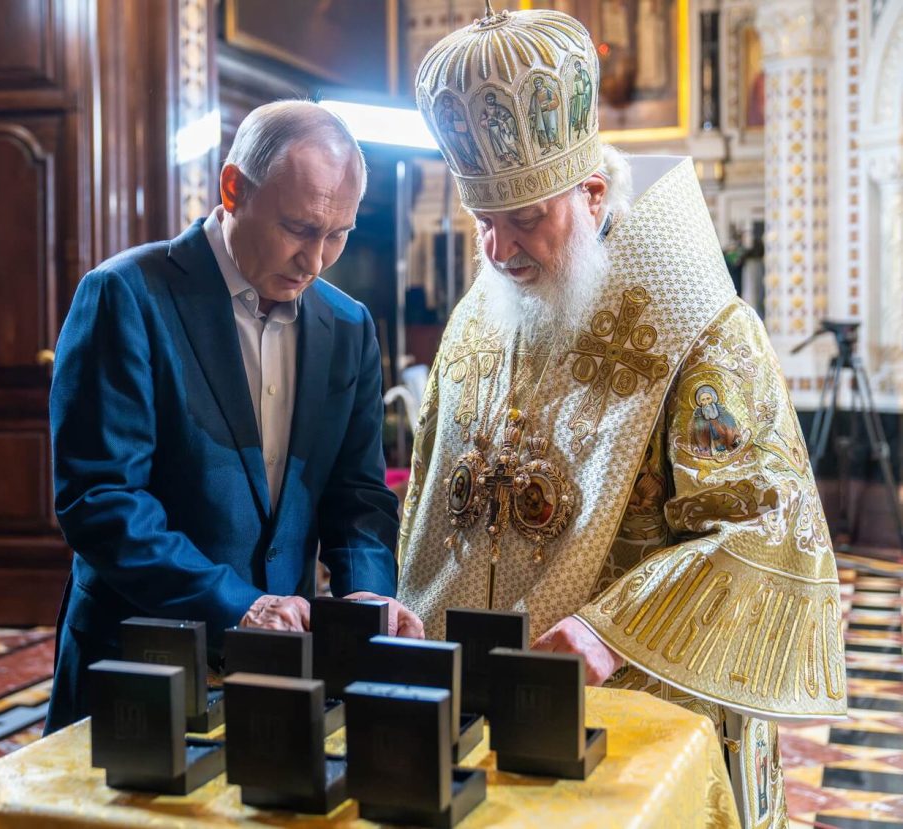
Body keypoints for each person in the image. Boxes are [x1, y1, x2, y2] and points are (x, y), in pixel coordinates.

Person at [406, 7, 845, 827]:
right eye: (485, 222)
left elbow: (768, 529)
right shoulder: (477, 319)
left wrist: (612, 631)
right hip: (473, 723)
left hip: (635, 714)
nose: (499, 252)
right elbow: (431, 503)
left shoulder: (702, 331)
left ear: (593, 191)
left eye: (527, 218)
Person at [46, 100, 423, 733]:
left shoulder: (349, 326)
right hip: (140, 658)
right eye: (299, 228)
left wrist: (365, 594)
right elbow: (101, 500)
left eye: (339, 235)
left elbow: (357, 494)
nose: (316, 260)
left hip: (281, 673)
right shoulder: (125, 295)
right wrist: (239, 607)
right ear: (232, 188)